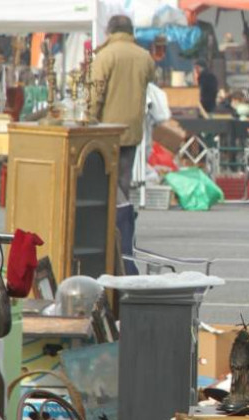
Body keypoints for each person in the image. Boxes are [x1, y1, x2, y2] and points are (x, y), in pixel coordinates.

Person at [91, 15, 154, 275]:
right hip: (132, 130)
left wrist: (90, 121)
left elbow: (95, 93)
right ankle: (124, 234)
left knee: (106, 185)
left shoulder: (105, 56)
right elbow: (148, 81)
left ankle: (111, 234)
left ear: (110, 31)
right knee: (123, 184)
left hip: (106, 130)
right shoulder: (144, 56)